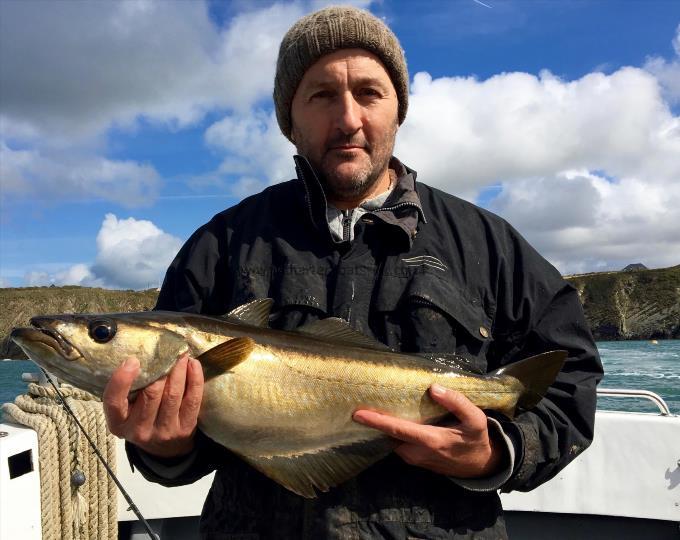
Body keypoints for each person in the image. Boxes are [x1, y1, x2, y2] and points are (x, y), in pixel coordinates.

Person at [103, 6, 603, 539]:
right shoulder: (218, 246)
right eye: (321, 96)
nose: (348, 120)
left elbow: (568, 378)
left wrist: (498, 452)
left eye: (369, 93)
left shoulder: (490, 244)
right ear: (288, 119)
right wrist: (164, 449)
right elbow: (182, 447)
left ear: (398, 110)